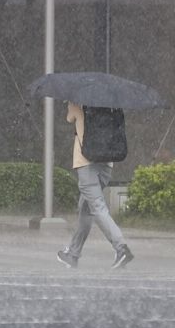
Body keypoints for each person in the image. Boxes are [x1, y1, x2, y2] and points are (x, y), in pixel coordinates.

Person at [57, 102, 134, 269]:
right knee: (86, 209)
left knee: (98, 208)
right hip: (106, 164)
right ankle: (73, 254)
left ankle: (121, 249)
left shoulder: (76, 104)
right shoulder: (110, 105)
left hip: (86, 163)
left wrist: (70, 102)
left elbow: (69, 118)